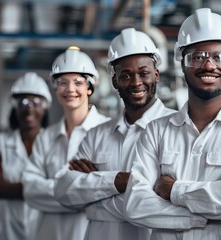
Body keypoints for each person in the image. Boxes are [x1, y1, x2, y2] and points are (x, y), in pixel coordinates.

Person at [123, 8, 221, 240]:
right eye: (197, 57)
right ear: (182, 65)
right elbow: (135, 205)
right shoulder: (156, 131)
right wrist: (207, 210)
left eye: (219, 57)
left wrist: (172, 190)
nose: (209, 65)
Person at [53, 27, 177, 240]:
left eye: (143, 73)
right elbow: (64, 191)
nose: (136, 82)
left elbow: (173, 204)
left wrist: (93, 204)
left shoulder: (176, 128)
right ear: (115, 81)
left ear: (156, 75)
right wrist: (115, 181)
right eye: (126, 75)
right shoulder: (97, 134)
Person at [21, 46, 110, 240]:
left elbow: (111, 193)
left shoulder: (109, 132)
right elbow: (30, 190)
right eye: (63, 82)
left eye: (78, 82)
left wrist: (56, 189)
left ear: (90, 87)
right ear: (55, 87)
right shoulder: (46, 138)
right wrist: (85, 190)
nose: (70, 89)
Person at [0, 72, 52, 240]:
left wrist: (10, 188)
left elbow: (59, 189)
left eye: (36, 102)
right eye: (23, 102)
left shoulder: (55, 142)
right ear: (14, 107)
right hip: (4, 230)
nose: (29, 108)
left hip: (42, 229)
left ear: (45, 107)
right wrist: (39, 188)